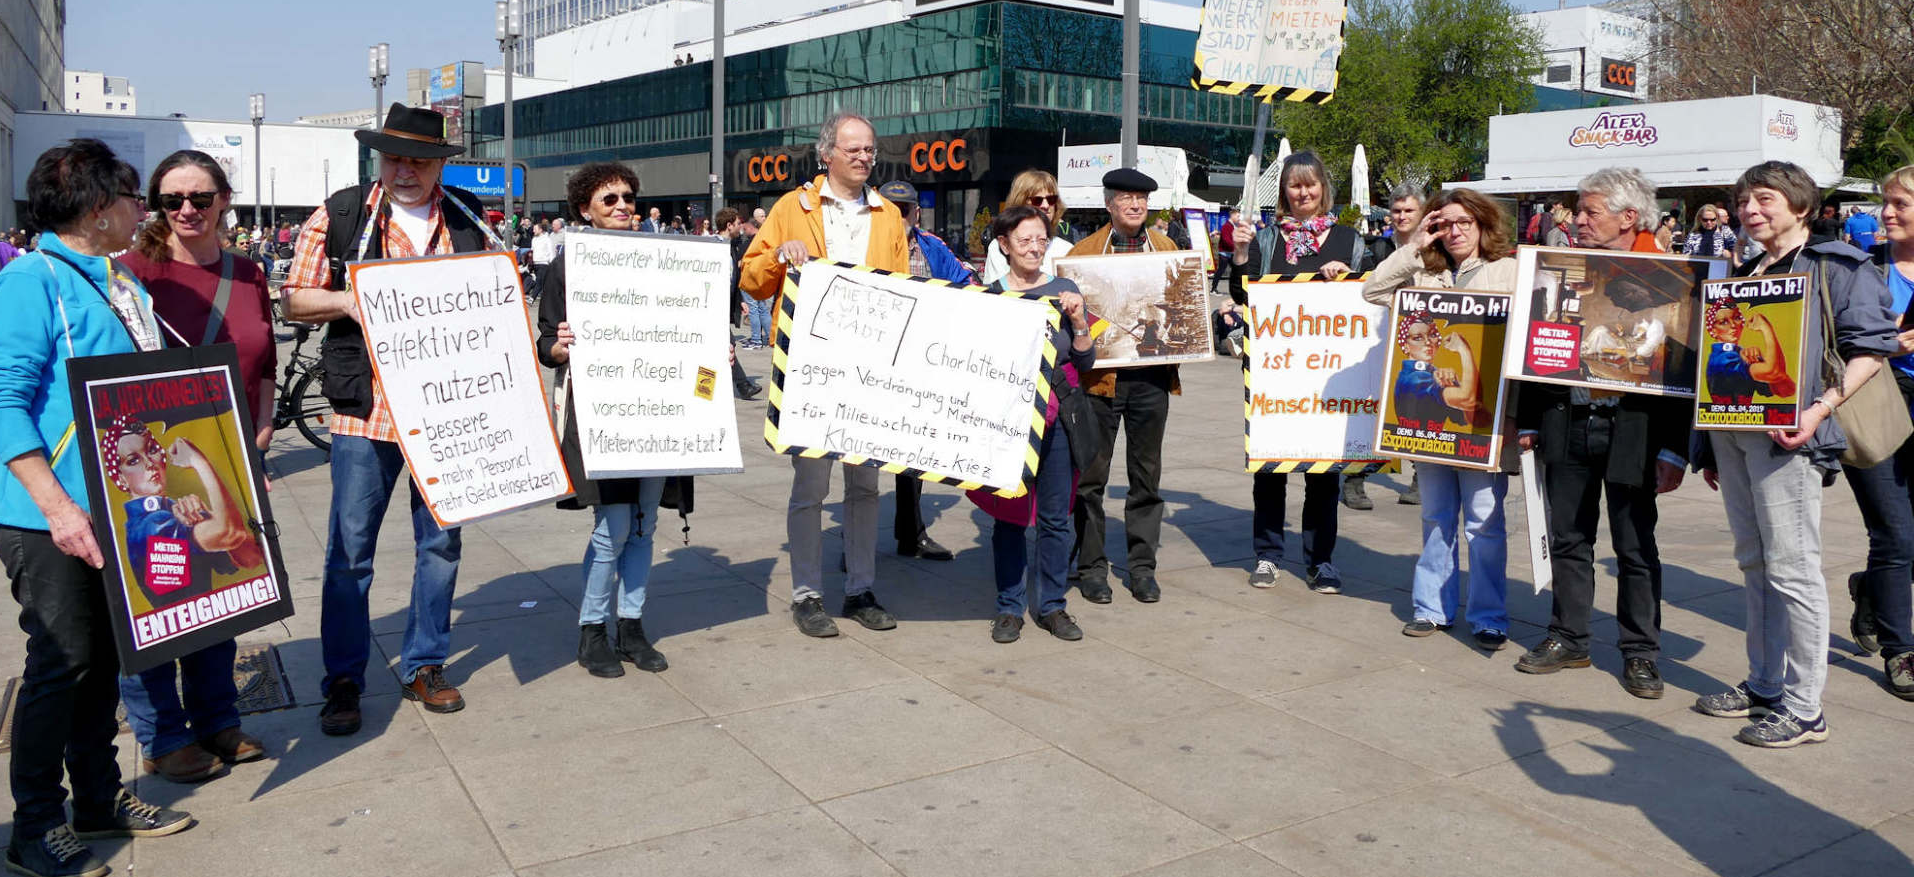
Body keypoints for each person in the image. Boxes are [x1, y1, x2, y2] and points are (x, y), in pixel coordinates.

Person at [0, 138, 193, 877]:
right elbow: (4, 400)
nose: (143, 211)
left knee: (105, 658)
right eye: (132, 198)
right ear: (96, 208)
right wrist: (58, 508)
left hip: (113, 506)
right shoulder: (31, 280)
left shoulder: (114, 277)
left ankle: (98, 797)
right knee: (62, 662)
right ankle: (34, 825)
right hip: (46, 514)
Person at [283, 105, 500, 736]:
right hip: (367, 410)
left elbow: (496, 292)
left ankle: (425, 663)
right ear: (380, 159)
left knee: (441, 544)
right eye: (395, 158)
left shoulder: (466, 215)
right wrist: (349, 300)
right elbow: (294, 299)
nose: (406, 170)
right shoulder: (342, 213)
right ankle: (343, 681)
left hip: (447, 410)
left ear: (440, 165)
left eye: (420, 160)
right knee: (350, 553)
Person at [1692, 161, 1901, 746]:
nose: (1750, 210)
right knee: (1754, 562)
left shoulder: (1837, 266)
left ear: (1802, 206)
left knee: (1793, 568)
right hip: (1735, 433)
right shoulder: (1742, 272)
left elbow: (1871, 351)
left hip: (1792, 437)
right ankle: (1765, 683)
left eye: (1765, 199)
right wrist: (1708, 442)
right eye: (1744, 201)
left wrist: (1818, 411)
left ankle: (1806, 707)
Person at [115, 149, 274, 783]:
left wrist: (264, 424)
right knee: (160, 591)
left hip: (232, 450)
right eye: (172, 200)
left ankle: (217, 720)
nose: (187, 210)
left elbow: (264, 359)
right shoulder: (131, 276)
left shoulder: (249, 273)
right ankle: (162, 736)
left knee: (221, 588)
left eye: (200, 198)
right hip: (157, 462)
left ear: (223, 201)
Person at [1513, 167, 1692, 701]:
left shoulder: (1672, 275)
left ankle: (1640, 652)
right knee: (1569, 537)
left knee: (1635, 546)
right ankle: (1569, 637)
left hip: (1634, 430)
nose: (1578, 219)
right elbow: (1536, 342)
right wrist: (1529, 420)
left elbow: (1684, 369)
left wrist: (1674, 449)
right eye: (1579, 210)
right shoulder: (1560, 268)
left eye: (1590, 211)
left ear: (1628, 217)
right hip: (1568, 420)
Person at [740, 109, 909, 637]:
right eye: (853, 149)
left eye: (869, 149)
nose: (864, 157)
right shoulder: (792, 207)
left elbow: (905, 292)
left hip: (870, 370)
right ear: (826, 153)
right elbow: (751, 278)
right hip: (811, 369)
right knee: (810, 487)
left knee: (865, 487)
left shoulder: (888, 215)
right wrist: (778, 256)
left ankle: (860, 590)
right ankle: (807, 595)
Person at [1363, 188, 1518, 650]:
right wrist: (1415, 246)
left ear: (1483, 224)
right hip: (1429, 424)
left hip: (1482, 422)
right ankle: (1431, 607)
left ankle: (1488, 616)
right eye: (1444, 223)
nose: (1454, 232)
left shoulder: (1507, 271)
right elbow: (1373, 290)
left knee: (1484, 523)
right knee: (1435, 516)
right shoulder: (1423, 274)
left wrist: (1516, 417)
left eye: (1463, 222)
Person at [536, 162, 674, 678]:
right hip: (602, 414)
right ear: (584, 210)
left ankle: (631, 626)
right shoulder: (567, 266)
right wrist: (559, 346)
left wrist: (713, 351)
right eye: (609, 199)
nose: (622, 206)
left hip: (658, 410)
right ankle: (592, 629)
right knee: (612, 528)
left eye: (627, 198)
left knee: (644, 524)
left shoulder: (663, 259)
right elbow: (546, 341)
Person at [1229, 152, 1368, 593]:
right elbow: (1242, 293)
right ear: (1284, 192)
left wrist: (1348, 275)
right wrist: (1240, 252)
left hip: (1329, 375)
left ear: (1323, 187)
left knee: (1323, 476)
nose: (1303, 192)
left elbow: (1371, 293)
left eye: (1310, 184)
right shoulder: (1269, 239)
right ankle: (1268, 555)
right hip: (1276, 374)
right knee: (1269, 471)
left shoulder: (1347, 239)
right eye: (1295, 185)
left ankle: (1320, 560)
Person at [973, 206, 1099, 642]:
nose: (1034, 248)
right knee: (1009, 518)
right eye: (1024, 240)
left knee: (1055, 518)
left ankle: (1052, 606)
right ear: (1004, 245)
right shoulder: (989, 297)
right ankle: (1009, 607)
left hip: (1059, 420)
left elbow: (1085, 360)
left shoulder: (1065, 290)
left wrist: (1079, 321)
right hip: (1008, 422)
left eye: (1041, 240)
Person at [1067, 168, 1181, 605]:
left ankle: (1142, 568)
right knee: (1090, 478)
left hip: (1151, 379)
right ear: (1109, 204)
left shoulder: (1167, 248)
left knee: (1146, 477)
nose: (1136, 205)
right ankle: (1092, 568)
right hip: (1100, 381)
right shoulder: (1084, 253)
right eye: (1127, 198)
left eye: (1142, 199)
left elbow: (1182, 306)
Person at [1843, 164, 1914, 700]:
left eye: (1899, 204)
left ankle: (1870, 590)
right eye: (1885, 203)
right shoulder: (1863, 269)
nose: (1885, 214)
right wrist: (1881, 343)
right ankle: (1900, 650)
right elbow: (1834, 338)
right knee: (1894, 533)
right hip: (1878, 401)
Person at [877, 179, 966, 561]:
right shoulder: (862, 244)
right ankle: (855, 540)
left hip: (920, 363)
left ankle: (911, 533)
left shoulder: (932, 247)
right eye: (890, 209)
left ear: (916, 212)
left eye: (904, 209)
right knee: (855, 457)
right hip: (873, 362)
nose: (899, 216)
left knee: (916, 451)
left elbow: (965, 284)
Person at [1356, 184, 1428, 508]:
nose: (1401, 216)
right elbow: (1364, 284)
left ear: (1422, 213)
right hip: (1378, 341)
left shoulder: (1436, 250)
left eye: (1408, 210)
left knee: (1418, 410)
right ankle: (1355, 480)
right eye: (1396, 210)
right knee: (1370, 414)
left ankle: (1420, 478)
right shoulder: (1379, 247)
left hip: (1419, 343)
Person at [981, 169, 1074, 285]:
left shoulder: (1067, 250)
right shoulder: (1000, 247)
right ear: (1020, 203)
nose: (1046, 205)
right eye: (1037, 200)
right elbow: (996, 292)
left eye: (1051, 199)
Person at [1702, 300, 1795, 405]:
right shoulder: (1722, 359)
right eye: (1723, 322)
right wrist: (1766, 328)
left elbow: (1787, 390)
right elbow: (1774, 372)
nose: (1733, 325)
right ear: (1713, 331)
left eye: (1736, 318)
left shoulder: (1741, 355)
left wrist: (1761, 363)